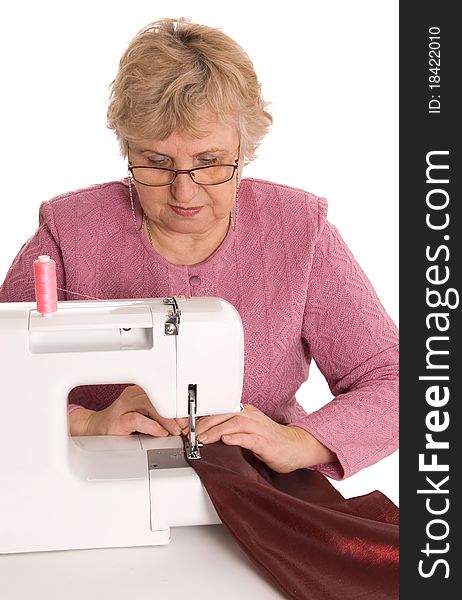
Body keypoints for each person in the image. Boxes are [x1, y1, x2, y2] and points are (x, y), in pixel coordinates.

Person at [0, 17, 398, 479]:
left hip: (259, 489)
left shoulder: (298, 233)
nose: (184, 193)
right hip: (94, 484)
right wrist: (87, 422)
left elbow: (395, 381)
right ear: (127, 148)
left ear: (244, 148)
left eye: (209, 163)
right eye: (156, 163)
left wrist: (298, 441)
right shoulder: (70, 234)